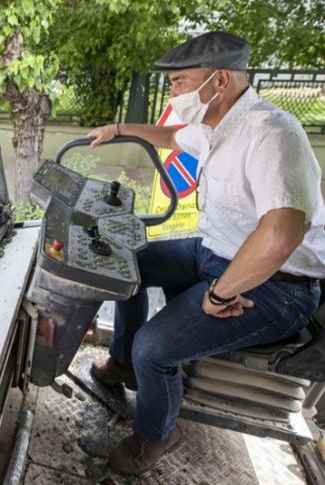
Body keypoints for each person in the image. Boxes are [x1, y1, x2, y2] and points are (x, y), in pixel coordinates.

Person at [86, 31, 325, 475]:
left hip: (277, 285)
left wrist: (218, 294)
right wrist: (118, 129)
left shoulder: (271, 133)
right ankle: (123, 363)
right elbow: (173, 136)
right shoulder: (216, 126)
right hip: (217, 252)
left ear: (219, 81)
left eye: (180, 82)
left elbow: (280, 235)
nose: (174, 92)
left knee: (153, 347)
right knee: (122, 263)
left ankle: (156, 434)